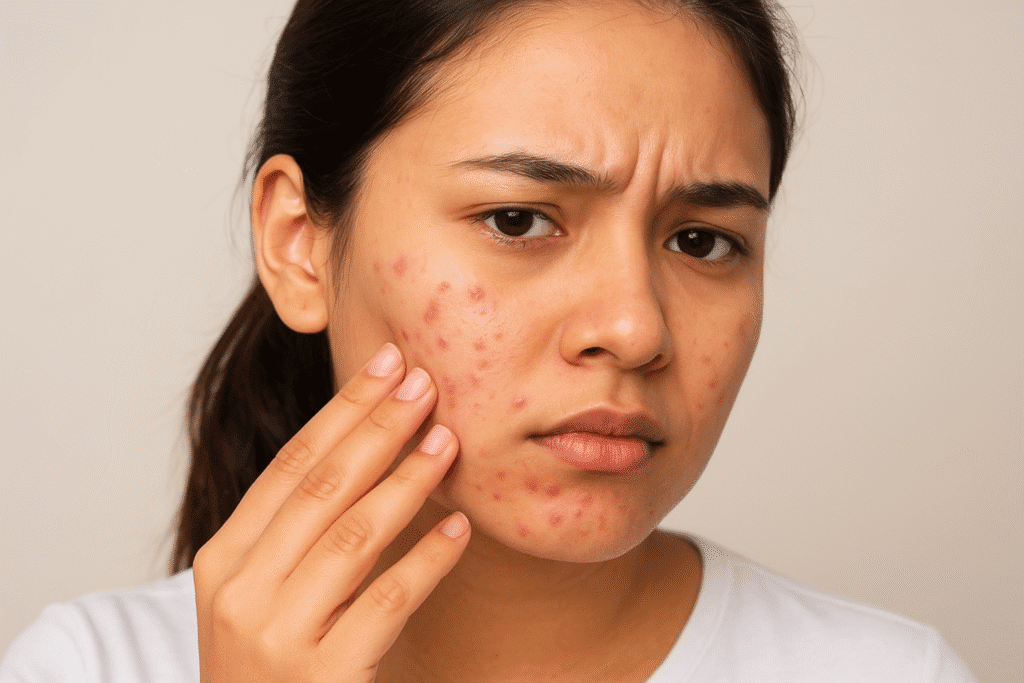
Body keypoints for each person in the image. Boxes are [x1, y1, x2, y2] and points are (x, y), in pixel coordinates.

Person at [0, 0, 979, 681]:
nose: (633, 327)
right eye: (517, 220)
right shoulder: (88, 667)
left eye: (702, 239)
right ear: (300, 244)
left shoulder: (890, 673)